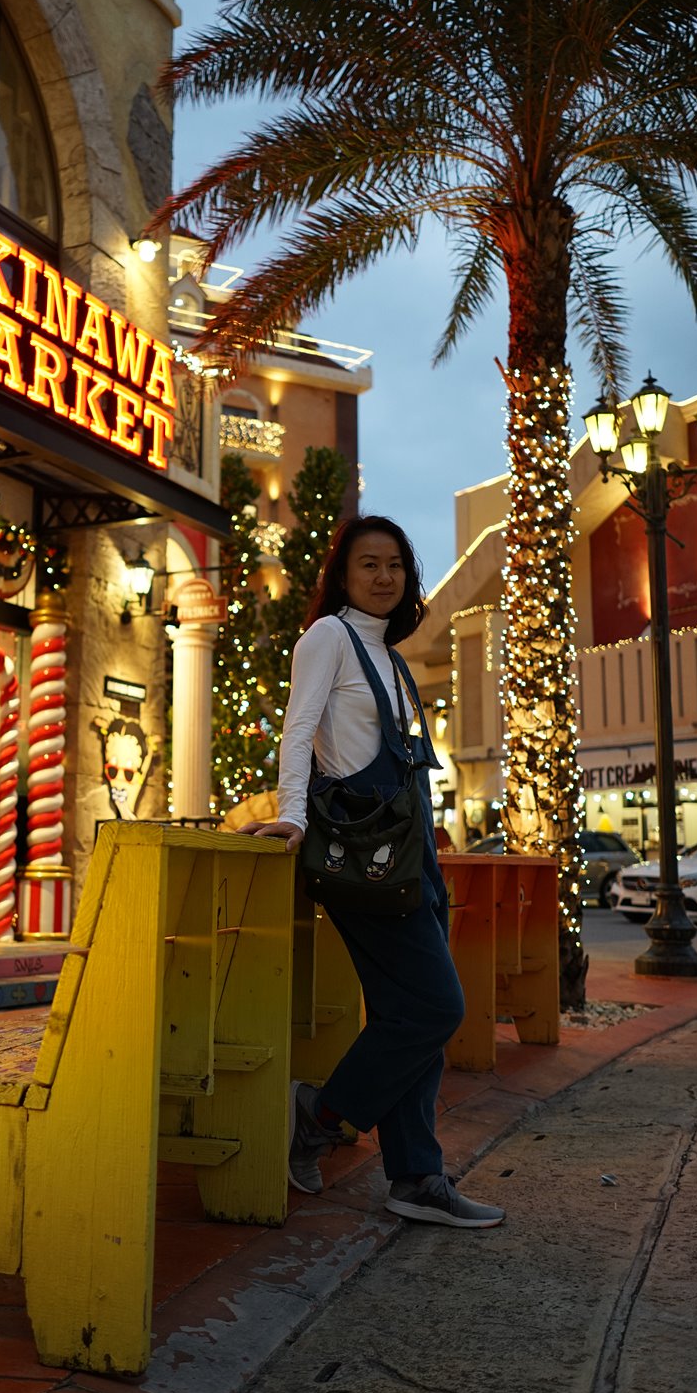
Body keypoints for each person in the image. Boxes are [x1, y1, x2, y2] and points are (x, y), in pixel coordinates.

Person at [240, 516, 505, 1229]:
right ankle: (321, 1114)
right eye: (369, 564)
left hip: (412, 857)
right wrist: (293, 816)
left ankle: (416, 1177)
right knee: (437, 1009)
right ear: (343, 575)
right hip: (366, 859)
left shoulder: (388, 655)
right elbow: (299, 729)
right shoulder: (328, 637)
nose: (384, 576)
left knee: (407, 1019)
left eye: (395, 564)